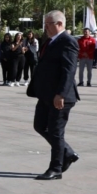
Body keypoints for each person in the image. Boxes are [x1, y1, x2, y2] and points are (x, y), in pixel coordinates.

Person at [30, 10, 80, 180]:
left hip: (60, 97)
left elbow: (69, 70)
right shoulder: (50, 41)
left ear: (59, 24)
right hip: (46, 95)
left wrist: (60, 94)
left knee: (56, 131)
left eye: (48, 24)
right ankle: (67, 152)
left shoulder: (68, 41)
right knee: (40, 125)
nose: (45, 27)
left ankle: (56, 168)